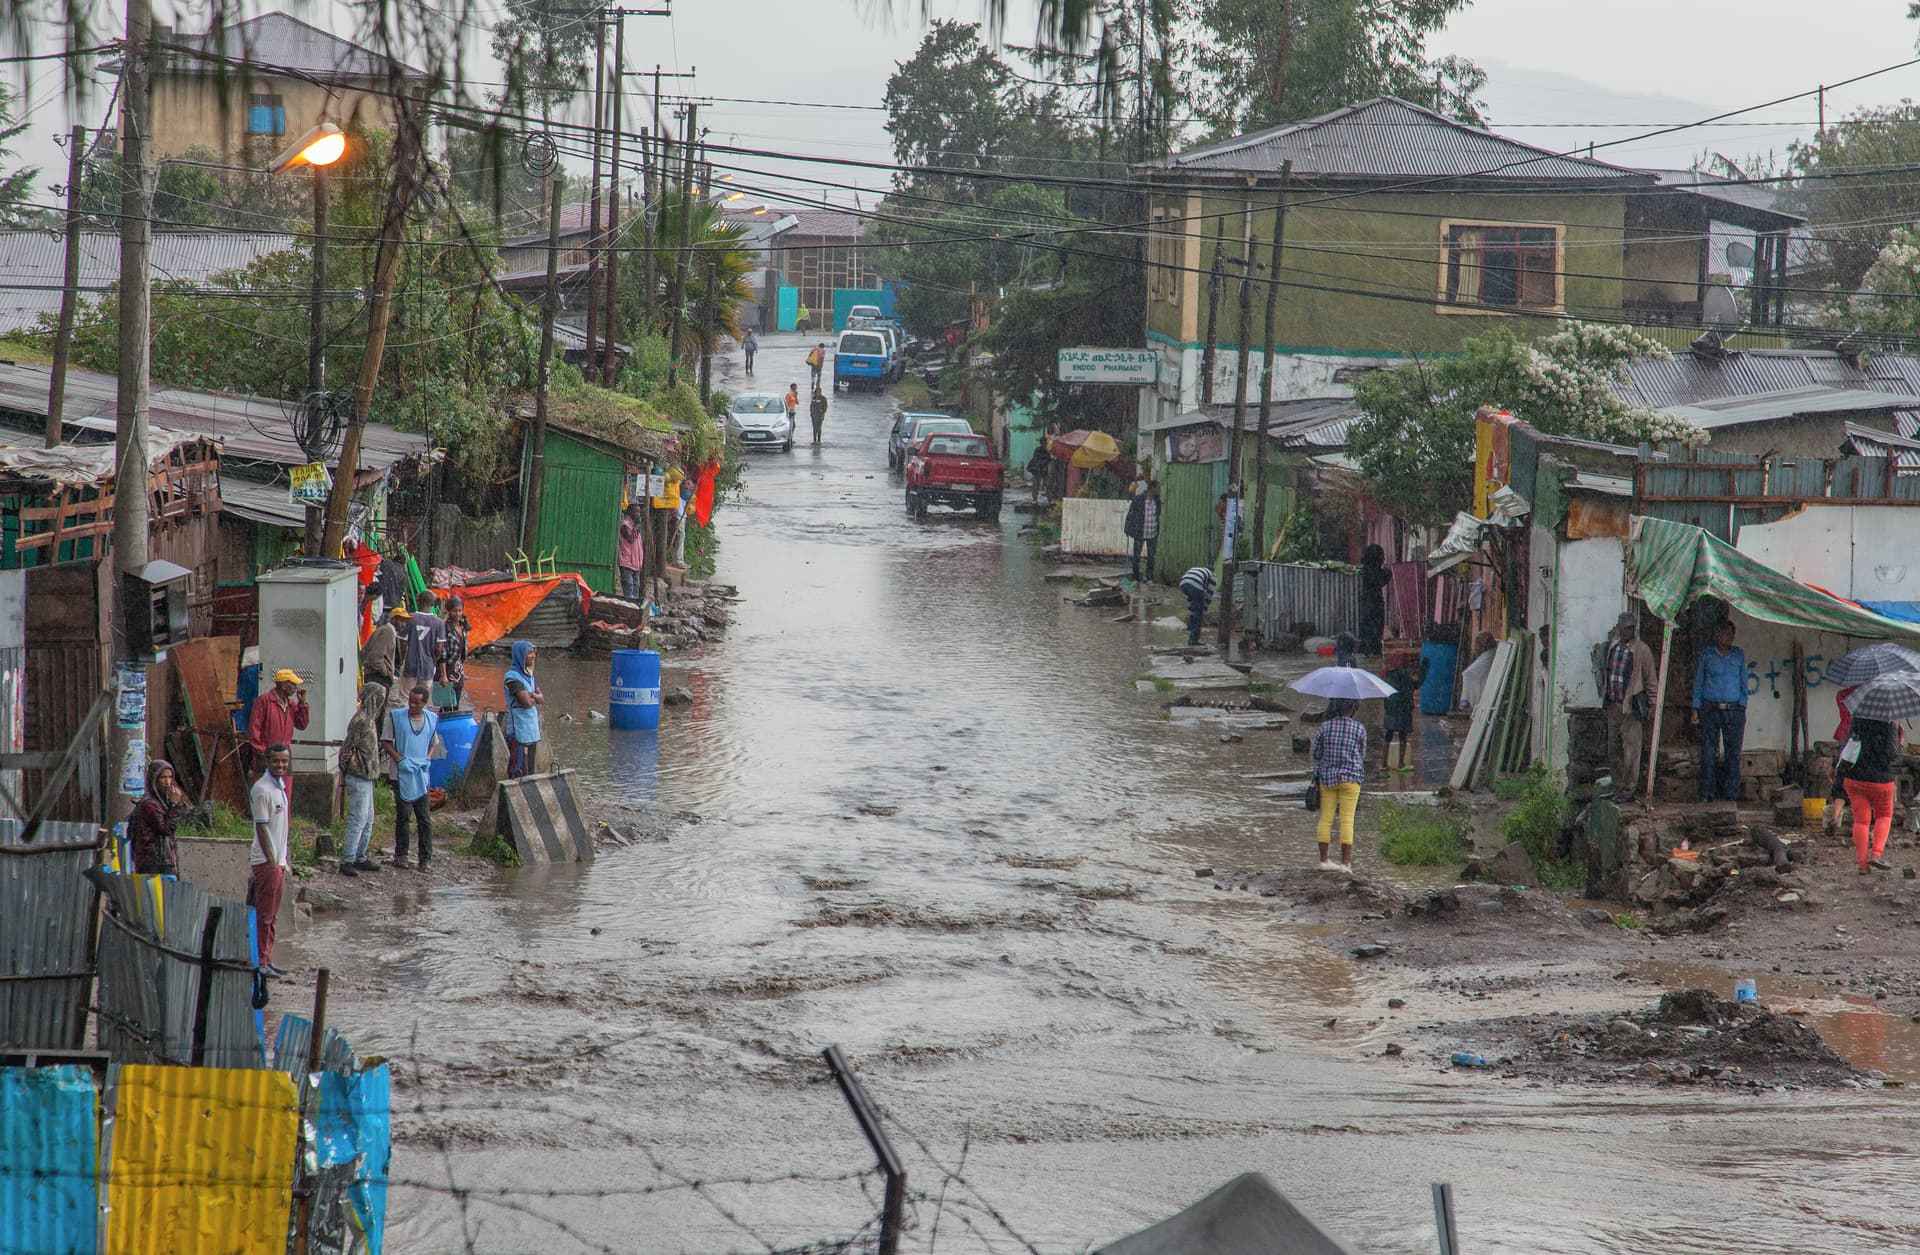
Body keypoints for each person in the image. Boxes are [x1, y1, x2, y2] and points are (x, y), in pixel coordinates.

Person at [1834, 714, 1903, 874]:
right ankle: (1876, 854)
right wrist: (1900, 740)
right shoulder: (1889, 724)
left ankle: (1862, 865)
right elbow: (1893, 754)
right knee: (1884, 816)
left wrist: (1836, 767)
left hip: (1855, 778)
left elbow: (1845, 745)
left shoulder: (1857, 719)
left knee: (1861, 822)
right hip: (1881, 781)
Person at [1690, 620, 1748, 804]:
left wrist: (1742, 705)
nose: (1729, 638)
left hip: (1733, 709)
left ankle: (1731, 794)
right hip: (1710, 708)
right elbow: (1699, 682)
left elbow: (1743, 682)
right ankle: (1707, 793)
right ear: (1717, 635)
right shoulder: (1707, 655)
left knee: (1733, 752)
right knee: (1708, 751)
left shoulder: (1738, 655)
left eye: (1731, 634)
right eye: (1725, 634)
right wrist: (1695, 708)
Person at [1600, 612, 1657, 797]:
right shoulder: (1613, 647)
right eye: (1625, 628)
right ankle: (1617, 786)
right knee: (1613, 748)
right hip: (1614, 705)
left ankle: (1629, 789)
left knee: (1631, 750)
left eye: (1632, 628)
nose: (1629, 631)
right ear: (1619, 628)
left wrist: (1653, 704)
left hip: (1631, 706)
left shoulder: (1642, 650)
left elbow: (1651, 680)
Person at [383, 686, 439, 870]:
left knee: (424, 817)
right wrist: (398, 758)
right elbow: (385, 741)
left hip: (420, 773)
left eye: (417, 703)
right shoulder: (396, 717)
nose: (412, 705)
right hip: (402, 772)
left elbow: (433, 741)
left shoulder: (431, 719)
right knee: (403, 815)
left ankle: (426, 858)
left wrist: (427, 758)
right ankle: (401, 855)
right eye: (410, 701)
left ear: (424, 703)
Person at [249, 743, 293, 976]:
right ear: (268, 761)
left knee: (272, 914)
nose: (281, 765)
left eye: (284, 761)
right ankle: (260, 962)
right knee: (264, 914)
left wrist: (283, 860)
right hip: (267, 862)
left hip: (278, 860)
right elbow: (262, 828)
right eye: (276, 761)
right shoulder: (262, 789)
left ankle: (266, 957)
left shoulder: (280, 787)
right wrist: (274, 862)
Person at [1313, 698, 1368, 871]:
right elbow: (1362, 754)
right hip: (1351, 779)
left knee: (1326, 818)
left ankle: (1323, 861)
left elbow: (1316, 753)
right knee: (1347, 820)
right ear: (1352, 709)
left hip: (1327, 778)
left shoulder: (1325, 727)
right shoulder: (1359, 728)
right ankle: (1345, 864)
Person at [339, 682, 386, 877]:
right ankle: (348, 859)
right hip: (358, 776)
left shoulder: (370, 720)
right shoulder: (361, 721)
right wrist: (347, 765)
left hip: (368, 777)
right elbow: (347, 748)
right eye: (380, 698)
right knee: (357, 819)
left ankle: (360, 856)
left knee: (368, 820)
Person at [128, 759, 186, 877]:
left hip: (162, 863)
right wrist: (174, 806)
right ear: (154, 779)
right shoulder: (150, 804)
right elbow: (165, 829)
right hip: (153, 864)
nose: (167, 782)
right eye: (163, 777)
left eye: (170, 777)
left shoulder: (162, 802)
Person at [247, 669, 309, 779]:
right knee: (266, 790)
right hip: (267, 755)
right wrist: (261, 752)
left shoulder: (291, 704)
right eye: (293, 684)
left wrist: (302, 704)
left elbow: (302, 724)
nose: (296, 688)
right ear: (284, 685)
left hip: (285, 755)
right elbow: (254, 729)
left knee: (286, 792)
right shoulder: (264, 701)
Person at [397, 595, 447, 709]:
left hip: (410, 663)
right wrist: (433, 661)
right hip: (428, 666)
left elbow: (403, 644)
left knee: (405, 698)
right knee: (423, 699)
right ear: (433, 604)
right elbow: (439, 648)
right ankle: (420, 724)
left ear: (419, 601)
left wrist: (403, 659)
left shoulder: (410, 618)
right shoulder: (439, 623)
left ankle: (404, 724)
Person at [1381, 649, 1427, 772]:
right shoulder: (1403, 673)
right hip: (1403, 709)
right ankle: (1401, 764)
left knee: (1388, 735)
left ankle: (1383, 764)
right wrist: (1423, 670)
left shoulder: (1387, 672)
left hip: (1390, 709)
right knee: (1403, 736)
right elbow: (1415, 685)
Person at [504, 640, 544, 778]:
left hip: (531, 728)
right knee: (518, 767)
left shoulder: (529, 676)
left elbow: (541, 698)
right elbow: (526, 702)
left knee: (530, 769)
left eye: (534, 653)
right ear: (520, 655)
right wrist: (533, 697)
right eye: (529, 653)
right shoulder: (512, 677)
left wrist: (530, 694)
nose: (533, 656)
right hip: (518, 728)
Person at [1123, 480, 1160, 581]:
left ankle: (1149, 578)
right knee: (1136, 557)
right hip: (1140, 533)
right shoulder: (1138, 500)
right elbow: (1130, 514)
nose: (1159, 490)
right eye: (1158, 488)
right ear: (1152, 488)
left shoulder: (1157, 501)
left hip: (1152, 533)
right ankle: (1136, 578)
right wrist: (1127, 528)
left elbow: (1157, 515)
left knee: (1151, 557)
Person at [1358, 544, 1391, 656]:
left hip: (1368, 602)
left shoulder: (1366, 568)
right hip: (1374, 602)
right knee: (1375, 626)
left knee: (1369, 626)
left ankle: (1368, 648)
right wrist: (1388, 572)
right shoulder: (1372, 570)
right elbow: (1380, 580)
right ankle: (1373, 648)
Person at [362, 609, 398, 696]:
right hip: (378, 677)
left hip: (378, 676)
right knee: (375, 706)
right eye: (401, 621)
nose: (404, 624)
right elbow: (376, 657)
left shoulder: (389, 631)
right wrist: (386, 673)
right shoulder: (387, 632)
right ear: (393, 619)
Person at [441, 596, 470, 707]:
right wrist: (443, 675)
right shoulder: (445, 628)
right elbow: (443, 653)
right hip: (447, 668)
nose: (458, 614)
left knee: (456, 701)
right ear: (448, 611)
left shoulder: (463, 627)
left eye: (460, 611)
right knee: (446, 703)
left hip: (458, 668)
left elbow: (463, 650)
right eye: (454, 611)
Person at [1458, 631, 1498, 711]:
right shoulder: (1491, 654)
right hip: (1491, 681)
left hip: (1488, 683)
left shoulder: (1487, 656)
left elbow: (1470, 672)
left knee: (1469, 677)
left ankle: (1469, 702)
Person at [1179, 565, 1217, 647]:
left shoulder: (1197, 569)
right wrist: (1205, 609)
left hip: (1183, 583)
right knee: (1198, 613)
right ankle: (1193, 640)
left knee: (1194, 605)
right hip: (1195, 585)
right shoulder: (1213, 575)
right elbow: (1210, 594)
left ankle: (1190, 625)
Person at [617, 504, 648, 603]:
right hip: (627, 563)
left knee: (635, 588)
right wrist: (637, 527)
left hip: (636, 564)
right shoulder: (625, 525)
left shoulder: (635, 526)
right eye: (636, 512)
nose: (638, 514)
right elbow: (630, 539)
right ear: (629, 513)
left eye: (639, 512)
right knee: (629, 588)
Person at [1026, 439, 1052, 504]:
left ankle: (1049, 500)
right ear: (1041, 443)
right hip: (1038, 470)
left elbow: (1048, 459)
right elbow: (1036, 460)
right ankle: (1035, 500)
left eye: (1045, 443)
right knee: (1037, 485)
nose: (1044, 444)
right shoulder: (1039, 450)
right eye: (1043, 443)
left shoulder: (1046, 451)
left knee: (1047, 485)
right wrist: (1042, 465)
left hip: (1043, 470)